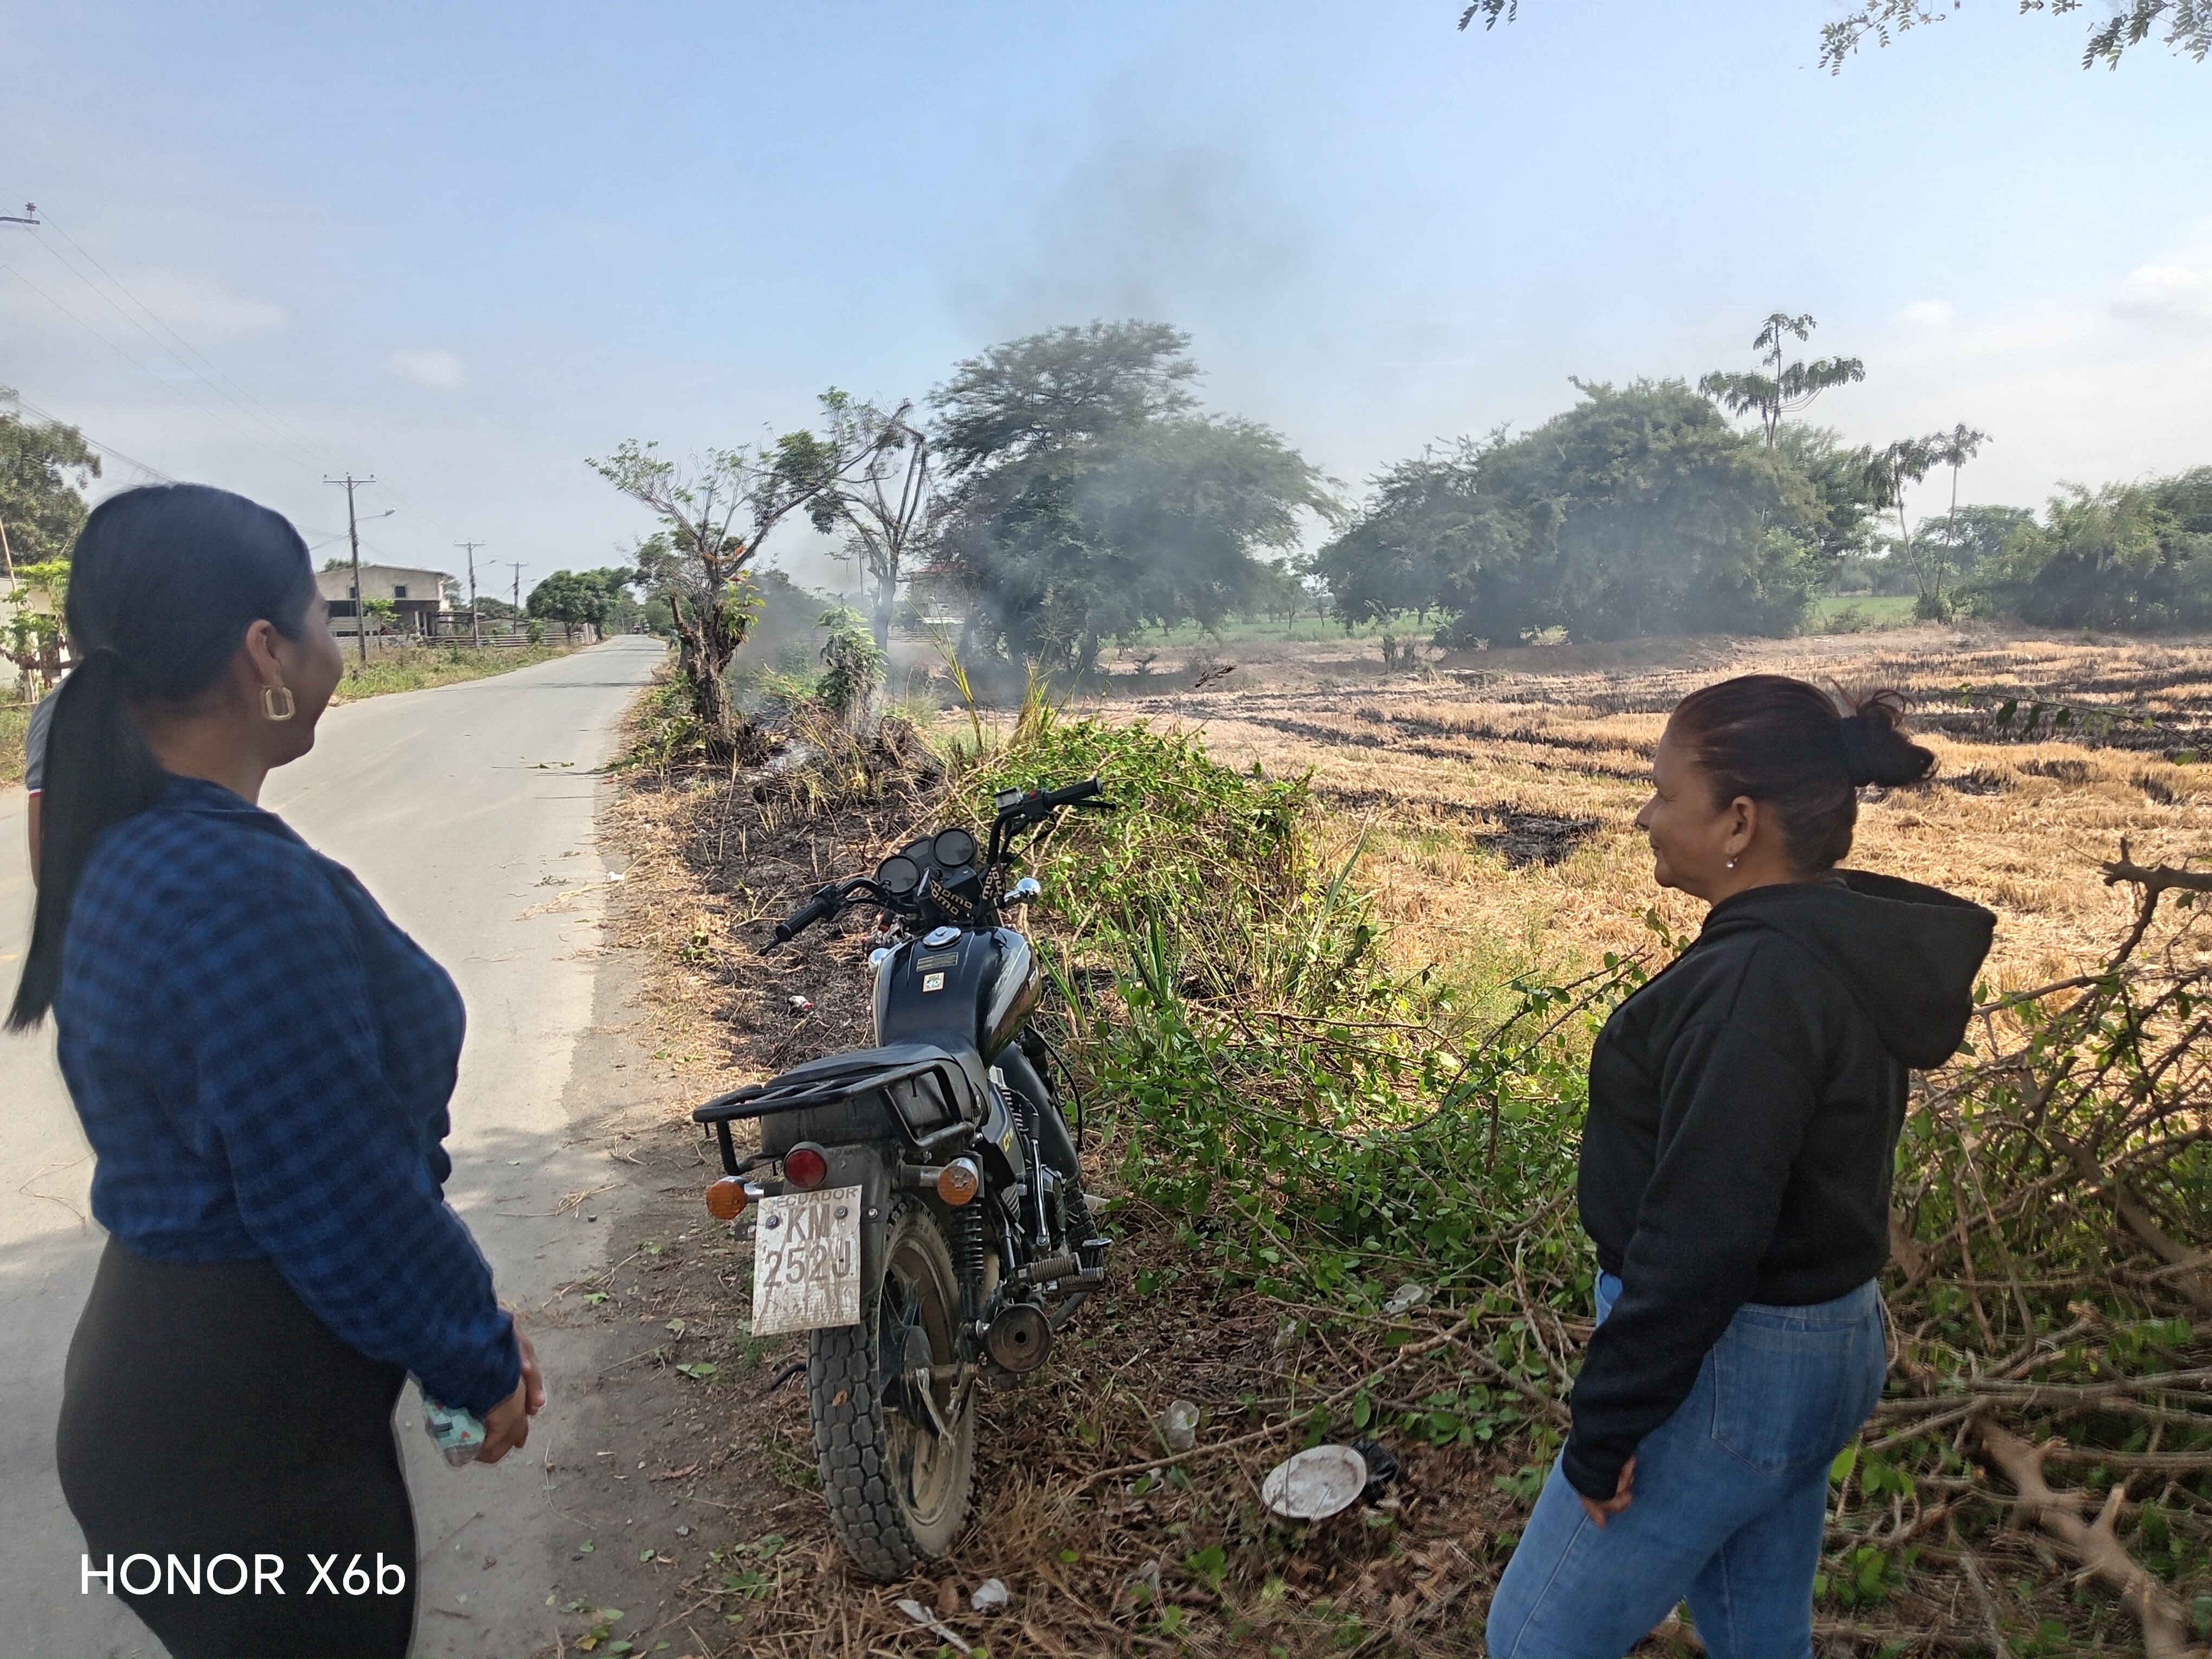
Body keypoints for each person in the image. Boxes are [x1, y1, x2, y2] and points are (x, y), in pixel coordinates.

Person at [8, 484, 543, 1659]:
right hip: (251, 1443)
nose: (334, 647)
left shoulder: (137, 847)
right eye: (322, 616)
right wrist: (476, 1356)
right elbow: (337, 1192)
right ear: (267, 653)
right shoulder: (233, 887)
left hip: (182, 1402)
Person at [1486, 674, 1995, 1659]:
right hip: (1829, 1341)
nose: (1645, 816)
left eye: (1665, 793)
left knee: (1534, 1640)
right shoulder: (1831, 942)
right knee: (1758, 1635)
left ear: (1740, 822)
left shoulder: (1751, 988)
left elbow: (1701, 1241)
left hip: (1733, 1368)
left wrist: (1606, 1429)